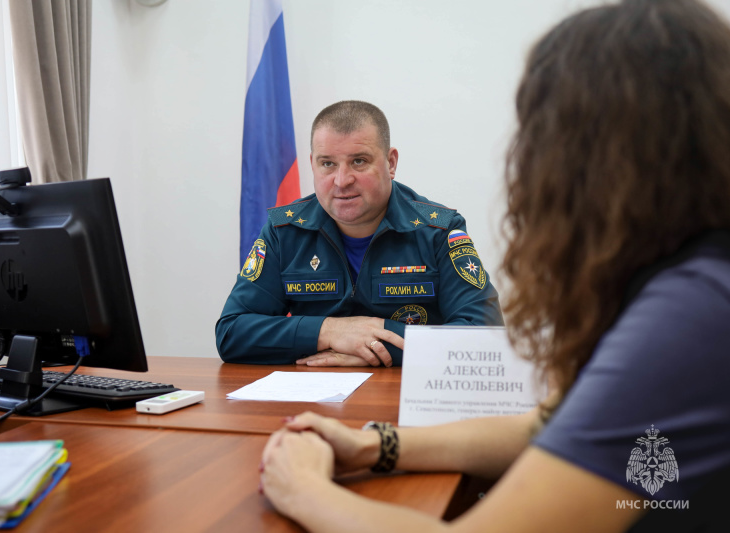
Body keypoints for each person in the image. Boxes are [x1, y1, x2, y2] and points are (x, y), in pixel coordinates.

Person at [258, 0, 730, 531]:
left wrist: (302, 488)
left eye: (541, 133)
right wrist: (374, 443)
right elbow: (547, 426)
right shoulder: (693, 280)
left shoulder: (690, 316)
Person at [216, 100, 503, 367]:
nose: (342, 181)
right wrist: (329, 331)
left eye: (359, 161)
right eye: (327, 163)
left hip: (406, 402)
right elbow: (232, 332)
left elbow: (485, 334)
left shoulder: (438, 230)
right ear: (313, 164)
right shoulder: (284, 231)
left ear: (390, 163)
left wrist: (377, 348)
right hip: (314, 401)